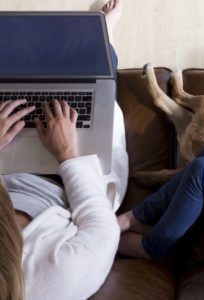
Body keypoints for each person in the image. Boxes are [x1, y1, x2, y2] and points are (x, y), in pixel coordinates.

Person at [0, 0, 128, 299]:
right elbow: (103, 229)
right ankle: (102, 39)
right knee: (90, 93)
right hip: (62, 183)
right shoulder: (60, 277)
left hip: (5, 171)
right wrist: (68, 153)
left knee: (17, 87)